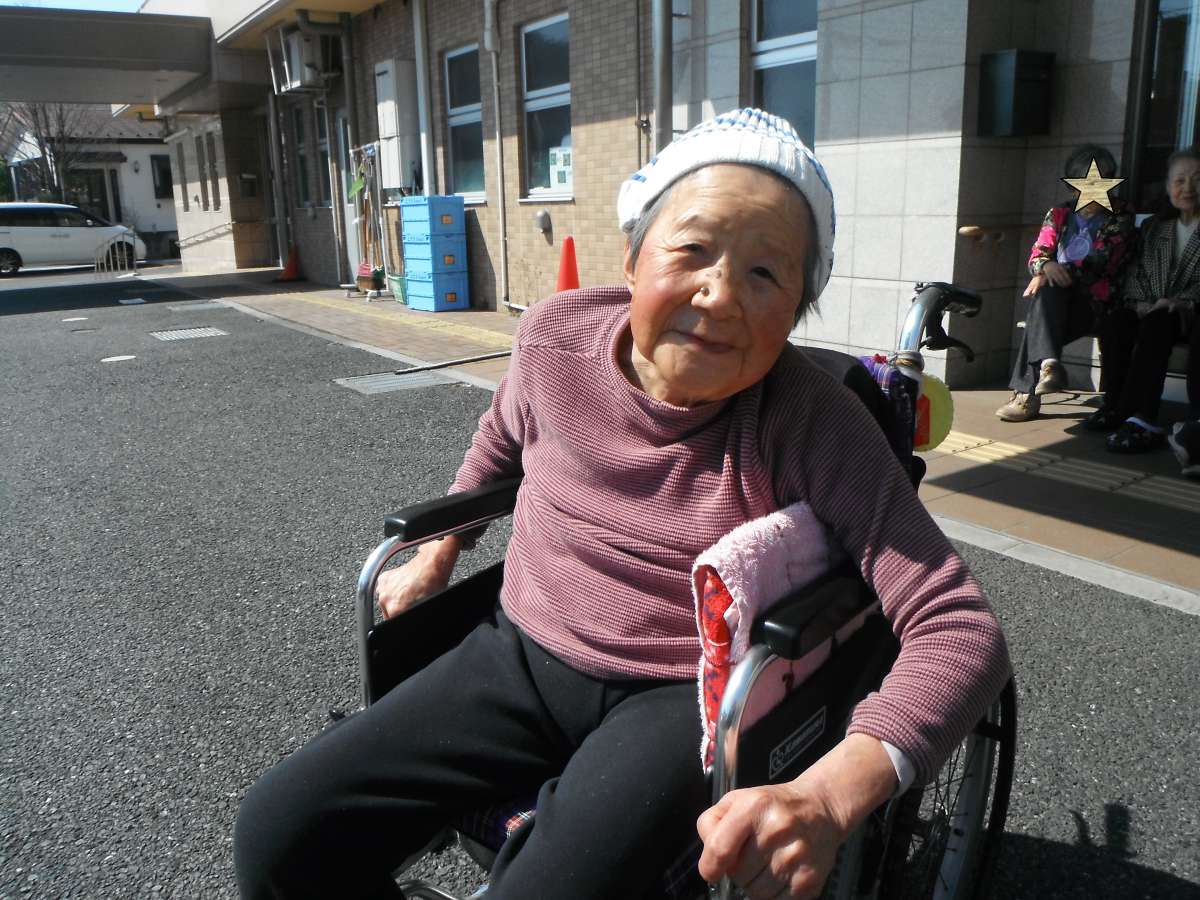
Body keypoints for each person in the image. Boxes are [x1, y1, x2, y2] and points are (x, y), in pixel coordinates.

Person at [233, 109, 1010, 900]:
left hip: (681, 702)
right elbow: (500, 440)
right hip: (518, 652)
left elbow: (961, 629)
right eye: (693, 250)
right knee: (279, 834)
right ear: (633, 257)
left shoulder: (812, 421)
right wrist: (441, 552)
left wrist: (829, 794)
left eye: (765, 274)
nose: (720, 294)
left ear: (794, 315)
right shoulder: (553, 340)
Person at [996, 146, 1136, 422]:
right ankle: (1048, 367)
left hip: (1100, 303)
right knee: (1046, 297)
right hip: (1060, 301)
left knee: (1040, 313)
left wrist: (1051, 271)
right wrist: (1045, 267)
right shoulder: (1059, 213)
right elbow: (1039, 253)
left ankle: (1028, 392)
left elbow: (1103, 261)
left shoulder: (1121, 214)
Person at [1083, 147, 1200, 462]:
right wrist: (1140, 303)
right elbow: (1138, 271)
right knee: (1117, 320)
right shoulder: (1154, 228)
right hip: (1155, 308)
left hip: (1192, 313)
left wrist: (1182, 301)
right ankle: (1116, 406)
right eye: (1180, 180)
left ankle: (1144, 418)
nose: (1188, 187)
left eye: (1197, 179)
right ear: (1168, 186)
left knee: (1158, 323)